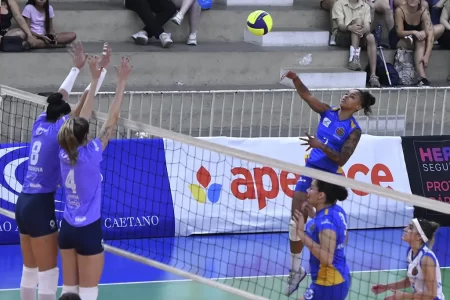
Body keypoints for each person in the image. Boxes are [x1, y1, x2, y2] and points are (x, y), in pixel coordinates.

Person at [14, 41, 111, 300]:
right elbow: (84, 109)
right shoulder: (62, 137)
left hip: (22, 202)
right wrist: (98, 74)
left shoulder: (40, 122)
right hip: (39, 206)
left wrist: (75, 70)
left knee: (29, 270)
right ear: (66, 120)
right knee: (47, 277)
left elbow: (60, 99)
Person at [281, 71, 375, 297]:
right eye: (346, 93)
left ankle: (330, 258)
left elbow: (342, 159)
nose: (345, 97)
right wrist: (295, 79)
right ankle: (296, 270)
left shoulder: (353, 130)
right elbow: (307, 96)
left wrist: (319, 145)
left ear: (358, 106)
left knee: (322, 221)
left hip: (329, 177)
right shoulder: (327, 111)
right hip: (310, 170)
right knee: (296, 221)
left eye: (352, 96)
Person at [57, 56, 132, 300]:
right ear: (86, 137)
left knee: (69, 292)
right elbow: (113, 118)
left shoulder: (62, 152)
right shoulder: (91, 155)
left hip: (67, 229)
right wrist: (121, 82)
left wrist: (95, 77)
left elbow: (80, 122)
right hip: (88, 231)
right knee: (88, 293)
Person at [291, 179, 350, 300]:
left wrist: (301, 234)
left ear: (321, 195)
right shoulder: (337, 211)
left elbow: (327, 258)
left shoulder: (324, 221)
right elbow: (344, 239)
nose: (307, 191)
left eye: (311, 188)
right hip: (340, 277)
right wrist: (315, 217)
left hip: (329, 283)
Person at [371, 218, 443, 300]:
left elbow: (432, 295)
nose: (405, 229)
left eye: (410, 227)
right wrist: (386, 287)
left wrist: (403, 296)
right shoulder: (410, 252)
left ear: (419, 237)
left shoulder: (426, 259)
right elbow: (410, 280)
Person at [389, 0, 444, 85]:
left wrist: (426, 55)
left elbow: (430, 34)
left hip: (418, 36)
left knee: (440, 27)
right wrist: (414, 32)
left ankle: (422, 77)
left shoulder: (423, 11)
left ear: (419, 1)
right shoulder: (400, 10)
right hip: (399, 38)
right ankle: (422, 77)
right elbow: (399, 32)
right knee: (421, 41)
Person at [331, 0, 381, 87]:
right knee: (357, 22)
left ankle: (373, 75)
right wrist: (351, 28)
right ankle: (353, 58)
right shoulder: (339, 4)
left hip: (359, 34)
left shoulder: (365, 6)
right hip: (342, 35)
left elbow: (367, 27)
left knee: (371, 37)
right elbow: (341, 26)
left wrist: (362, 30)